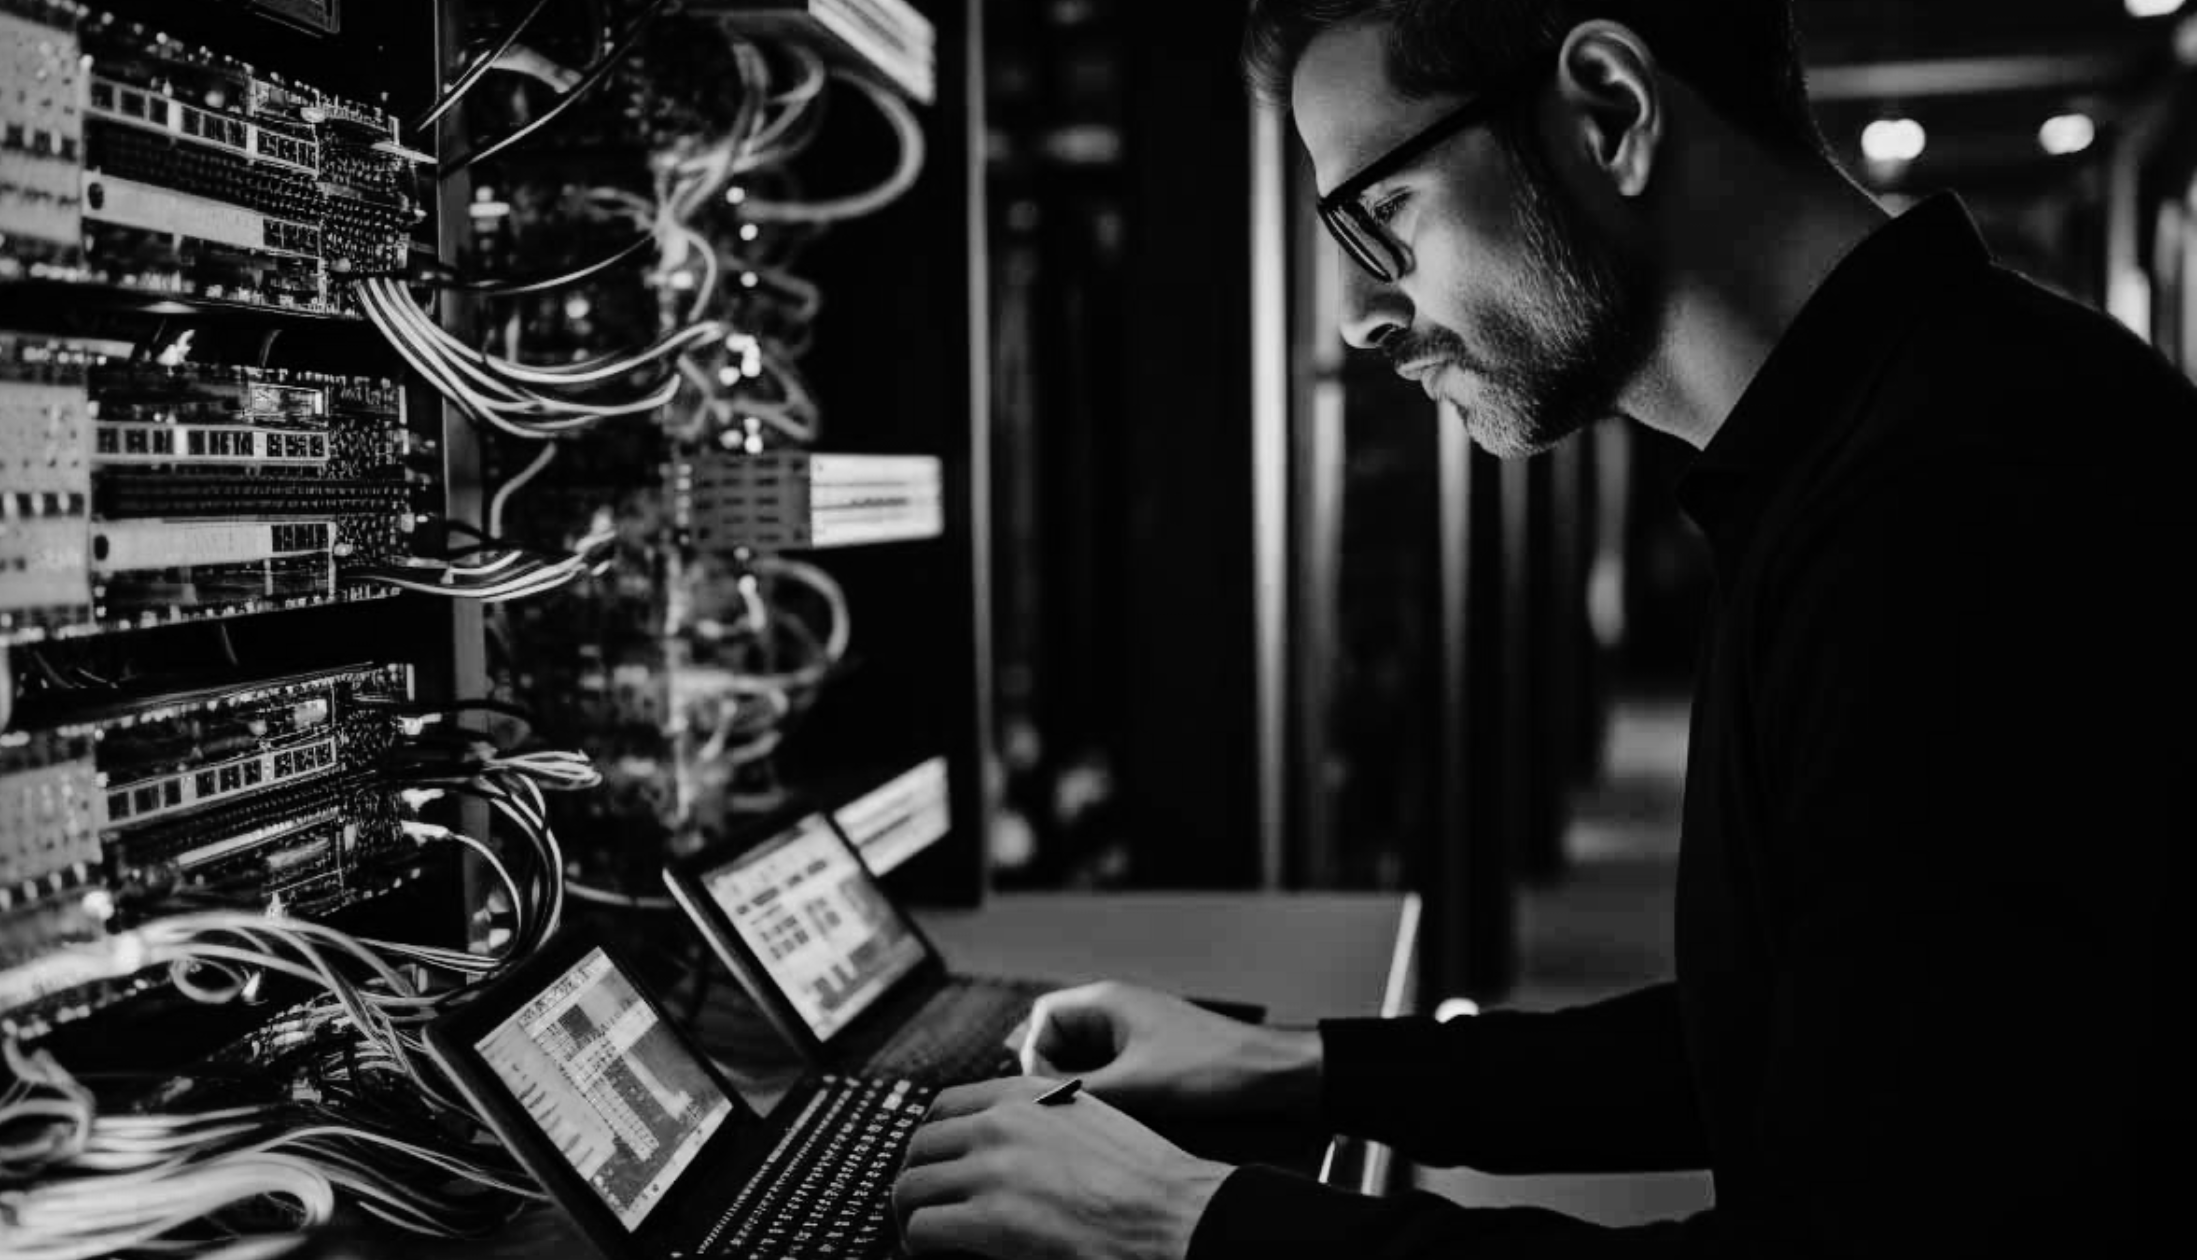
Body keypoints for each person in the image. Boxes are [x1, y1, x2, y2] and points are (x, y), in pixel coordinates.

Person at [891, 0, 2182, 1254]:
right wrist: (1299, 1066)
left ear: (1608, 111)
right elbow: (1835, 1032)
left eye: (1383, 215)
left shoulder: (1962, 510)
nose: (1360, 314)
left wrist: (1177, 1218)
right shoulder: (1897, 434)